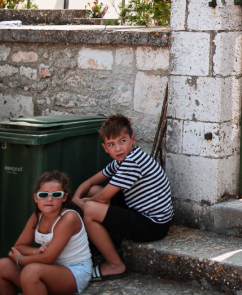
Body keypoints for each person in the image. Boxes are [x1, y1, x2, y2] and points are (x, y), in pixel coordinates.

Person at [74, 115, 172, 281]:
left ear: (132, 140)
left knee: (89, 209)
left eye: (122, 141)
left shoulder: (133, 161)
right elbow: (91, 182)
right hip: (141, 211)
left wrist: (81, 204)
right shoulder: (121, 161)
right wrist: (77, 197)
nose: (118, 148)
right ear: (105, 148)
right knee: (93, 190)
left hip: (152, 224)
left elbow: (104, 197)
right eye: (112, 144)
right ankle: (106, 241)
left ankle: (114, 265)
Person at [0, 170, 93, 295]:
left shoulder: (69, 217)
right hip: (48, 268)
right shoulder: (37, 216)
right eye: (43, 195)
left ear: (64, 197)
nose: (49, 199)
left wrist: (20, 260)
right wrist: (36, 251)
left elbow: (48, 258)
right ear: (36, 198)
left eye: (56, 195)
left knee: (31, 272)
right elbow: (19, 246)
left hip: (75, 271)